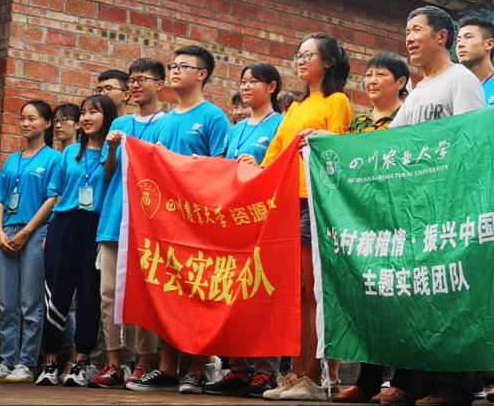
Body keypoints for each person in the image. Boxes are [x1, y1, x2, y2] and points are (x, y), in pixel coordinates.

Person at [378, 6, 486, 406]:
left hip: (451, 205)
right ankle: (422, 382)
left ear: (441, 36)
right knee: (421, 294)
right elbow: (386, 144)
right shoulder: (419, 92)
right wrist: (329, 142)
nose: (408, 38)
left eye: (416, 30)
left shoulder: (461, 79)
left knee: (451, 292)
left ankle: (456, 386)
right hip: (418, 208)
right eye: (406, 30)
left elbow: (474, 140)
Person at [126, 46, 232, 394]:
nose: (174, 70)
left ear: (202, 75)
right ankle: (167, 368)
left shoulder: (213, 116)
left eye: (183, 66)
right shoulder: (165, 121)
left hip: (199, 220)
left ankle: (197, 368)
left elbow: (221, 168)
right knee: (168, 290)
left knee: (198, 292)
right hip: (166, 221)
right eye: (173, 66)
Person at [255, 33, 353, 402]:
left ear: (328, 62)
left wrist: (322, 137)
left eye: (308, 55)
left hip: (315, 201)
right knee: (295, 293)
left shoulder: (337, 100)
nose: (301, 60)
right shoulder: (295, 107)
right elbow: (275, 155)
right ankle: (296, 374)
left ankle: (317, 376)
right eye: (298, 55)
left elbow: (338, 149)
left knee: (315, 291)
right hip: (287, 203)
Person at [330, 51, 411, 405]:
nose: (372, 81)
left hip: (399, 218)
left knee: (402, 296)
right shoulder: (360, 122)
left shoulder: (408, 116)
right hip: (364, 220)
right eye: (369, 74)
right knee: (369, 298)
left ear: (401, 82)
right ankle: (368, 380)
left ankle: (404, 379)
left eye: (381, 74)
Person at [202, 62, 287, 398]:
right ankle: (237, 369)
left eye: (254, 81)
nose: (246, 87)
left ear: (272, 87)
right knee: (233, 291)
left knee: (263, 294)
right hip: (234, 221)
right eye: (243, 81)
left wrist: (261, 168)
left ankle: (266, 372)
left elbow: (286, 170)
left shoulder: (281, 124)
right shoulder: (235, 129)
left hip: (266, 220)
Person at [90, 58, 168, 389]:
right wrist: (111, 150)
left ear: (159, 85)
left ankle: (144, 362)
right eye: (132, 80)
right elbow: (107, 174)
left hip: (148, 223)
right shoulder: (120, 123)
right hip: (113, 220)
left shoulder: (167, 123)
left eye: (142, 79)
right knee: (109, 294)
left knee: (144, 295)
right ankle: (113, 363)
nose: (135, 85)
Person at [34, 95, 119, 387]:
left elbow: (110, 176)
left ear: (107, 118)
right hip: (64, 225)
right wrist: (49, 231)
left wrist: (112, 149)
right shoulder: (69, 153)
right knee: (56, 293)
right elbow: (56, 194)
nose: (86, 117)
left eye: (94, 112)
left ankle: (81, 362)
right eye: (83, 112)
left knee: (90, 294)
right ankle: (50, 361)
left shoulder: (113, 153)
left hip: (95, 226)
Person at [0, 100, 62, 384]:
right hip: (7, 233)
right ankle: (6, 361)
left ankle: (26, 363)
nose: (26, 123)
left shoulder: (54, 159)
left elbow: (53, 199)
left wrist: (27, 233)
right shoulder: (13, 160)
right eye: (22, 118)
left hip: (35, 232)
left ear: (47, 124)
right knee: (7, 302)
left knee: (31, 302)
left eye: (32, 118)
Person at [455, 16, 494, 106]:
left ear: (489, 44)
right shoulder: (455, 88)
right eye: (458, 40)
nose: (460, 44)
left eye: (468, 37)